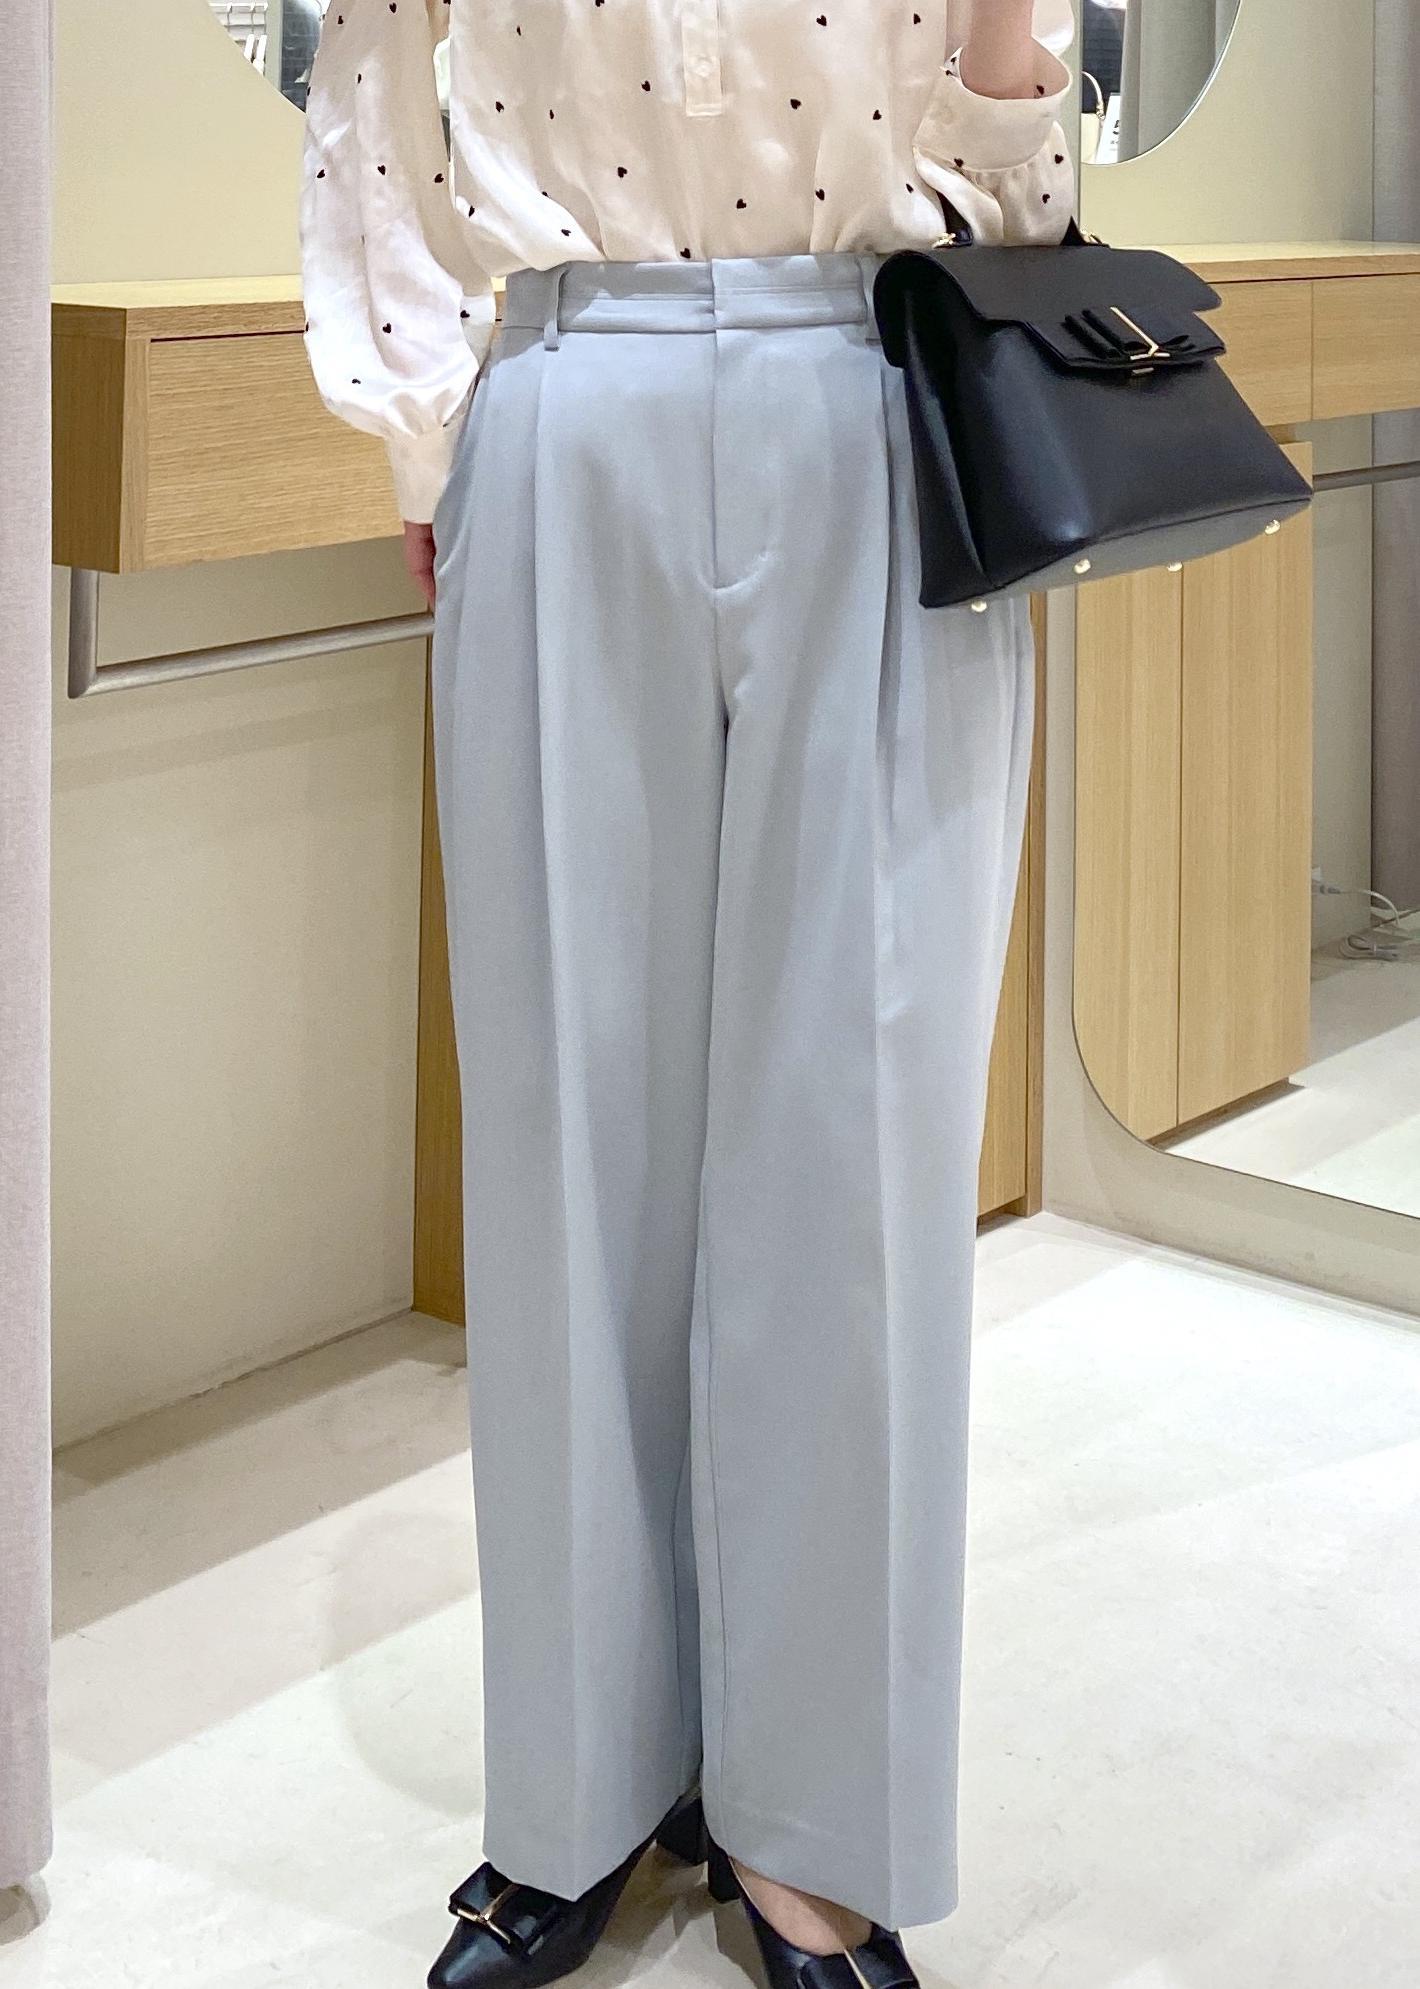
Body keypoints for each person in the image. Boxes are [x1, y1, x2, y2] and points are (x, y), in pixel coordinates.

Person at [299, 3, 1076, 1985]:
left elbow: (1022, 196)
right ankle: (579, 1785)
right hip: (568, 384)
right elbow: (375, 80)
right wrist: (424, 422)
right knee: (567, 1136)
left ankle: (817, 1824)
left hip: (883, 391)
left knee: (864, 1141)